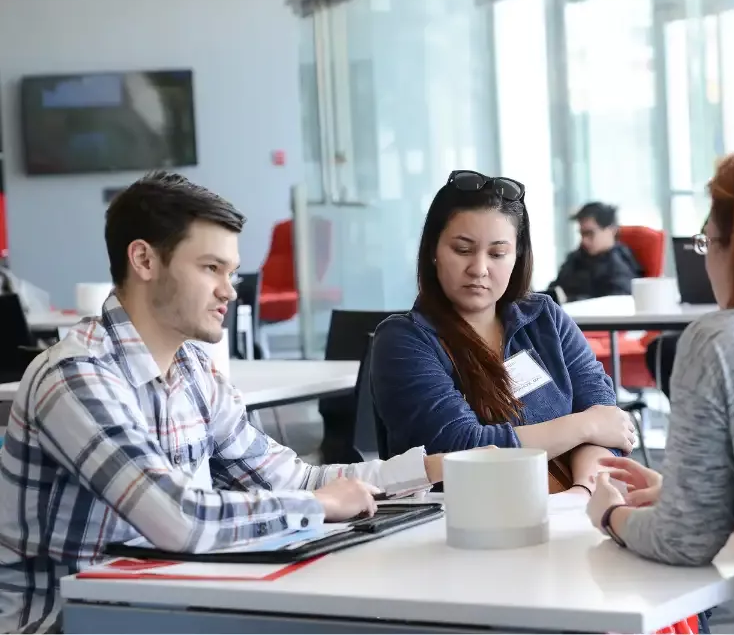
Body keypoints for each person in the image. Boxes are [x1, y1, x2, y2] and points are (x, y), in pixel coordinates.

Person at [0, 172, 456, 634]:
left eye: (231, 271)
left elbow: (297, 478)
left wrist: (434, 470)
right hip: (69, 623)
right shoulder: (76, 375)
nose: (230, 290)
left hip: (169, 606)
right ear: (143, 260)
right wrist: (316, 506)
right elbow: (181, 519)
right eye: (210, 268)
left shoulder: (194, 371)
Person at [586, 147, 734, 632]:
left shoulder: (722, 340)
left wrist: (611, 515)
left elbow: (683, 540)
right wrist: (694, 495)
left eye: (708, 242)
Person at [371, 169, 636, 494]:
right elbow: (465, 449)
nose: (479, 269)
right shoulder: (404, 341)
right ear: (433, 251)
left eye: (497, 253)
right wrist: (583, 425)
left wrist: (580, 495)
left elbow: (606, 417)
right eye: (463, 250)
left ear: (517, 257)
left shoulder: (544, 318)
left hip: (572, 510)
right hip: (464, 527)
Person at [543, 201, 643, 304]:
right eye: (582, 234)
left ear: (611, 230)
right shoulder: (576, 257)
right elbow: (555, 289)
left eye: (590, 234)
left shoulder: (620, 263)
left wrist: (569, 300)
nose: (584, 240)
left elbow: (616, 301)